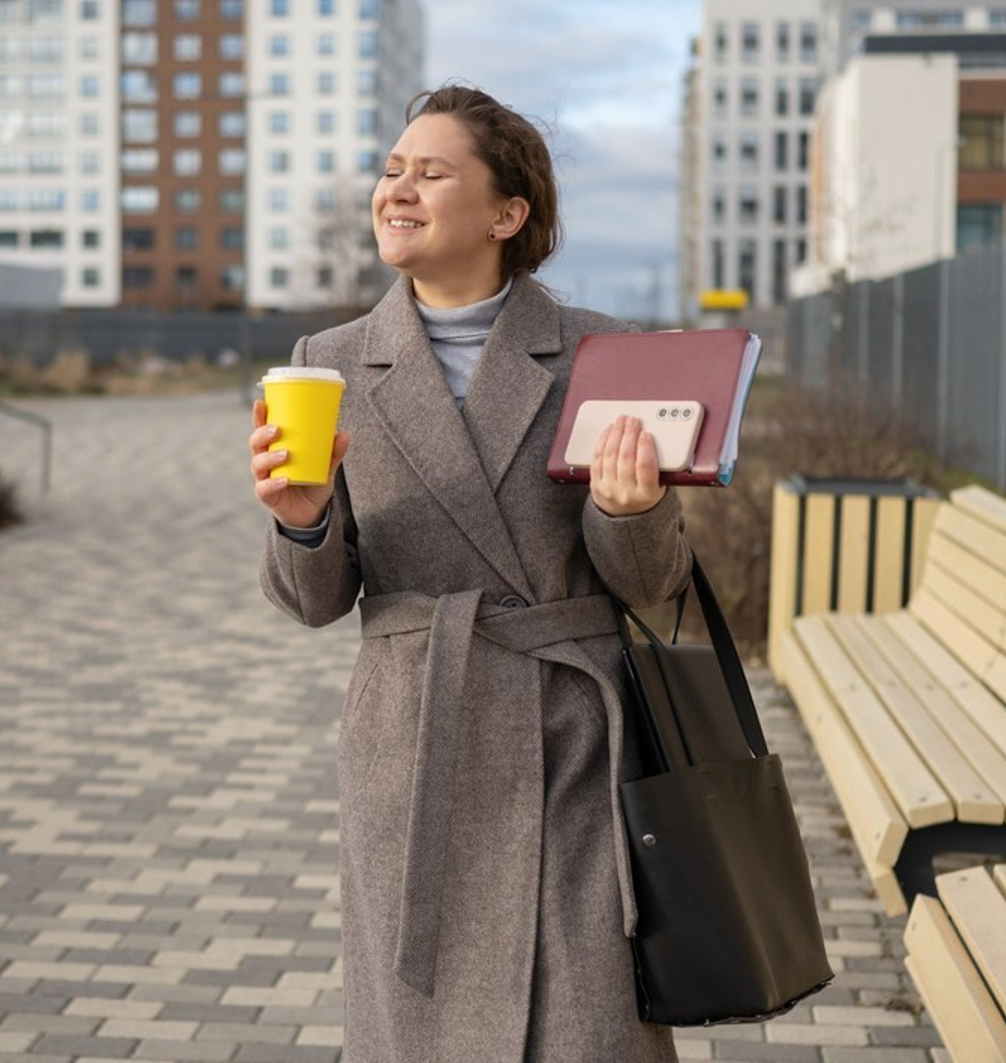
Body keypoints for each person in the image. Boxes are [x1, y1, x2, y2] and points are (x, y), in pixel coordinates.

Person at [249, 84, 691, 1062]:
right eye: (390, 168)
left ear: (505, 213)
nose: (396, 188)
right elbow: (313, 603)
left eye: (430, 171)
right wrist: (303, 520)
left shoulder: (596, 352)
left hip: (571, 738)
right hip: (414, 742)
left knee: (586, 1025)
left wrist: (630, 509)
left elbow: (653, 585)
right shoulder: (325, 361)